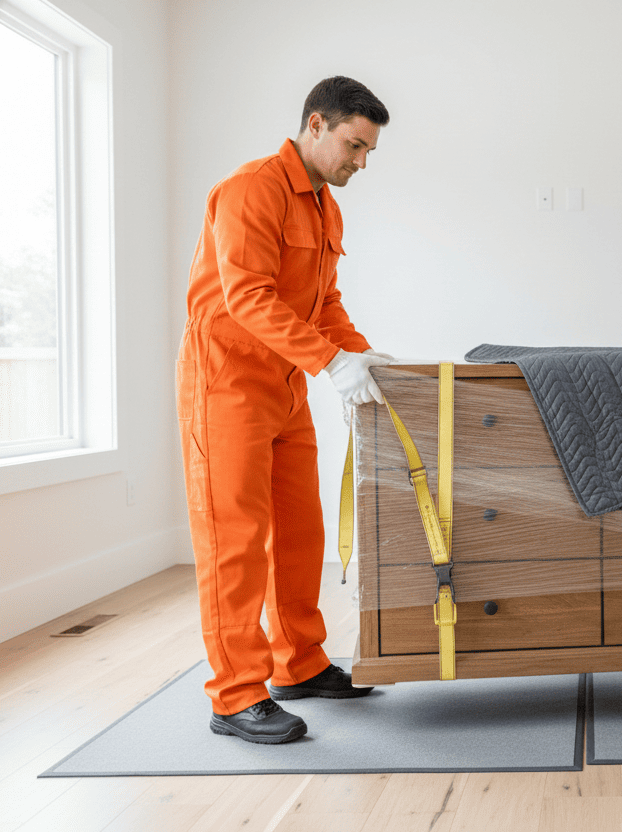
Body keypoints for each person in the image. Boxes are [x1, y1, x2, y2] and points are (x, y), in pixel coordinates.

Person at [177, 76, 395, 743]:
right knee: (234, 542)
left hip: (286, 386)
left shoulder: (325, 207)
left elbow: (322, 304)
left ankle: (298, 665)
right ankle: (234, 695)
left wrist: (367, 358)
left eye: (368, 152)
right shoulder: (251, 190)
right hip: (226, 386)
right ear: (316, 124)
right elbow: (246, 297)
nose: (360, 162)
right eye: (354, 146)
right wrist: (332, 364)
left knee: (300, 536)